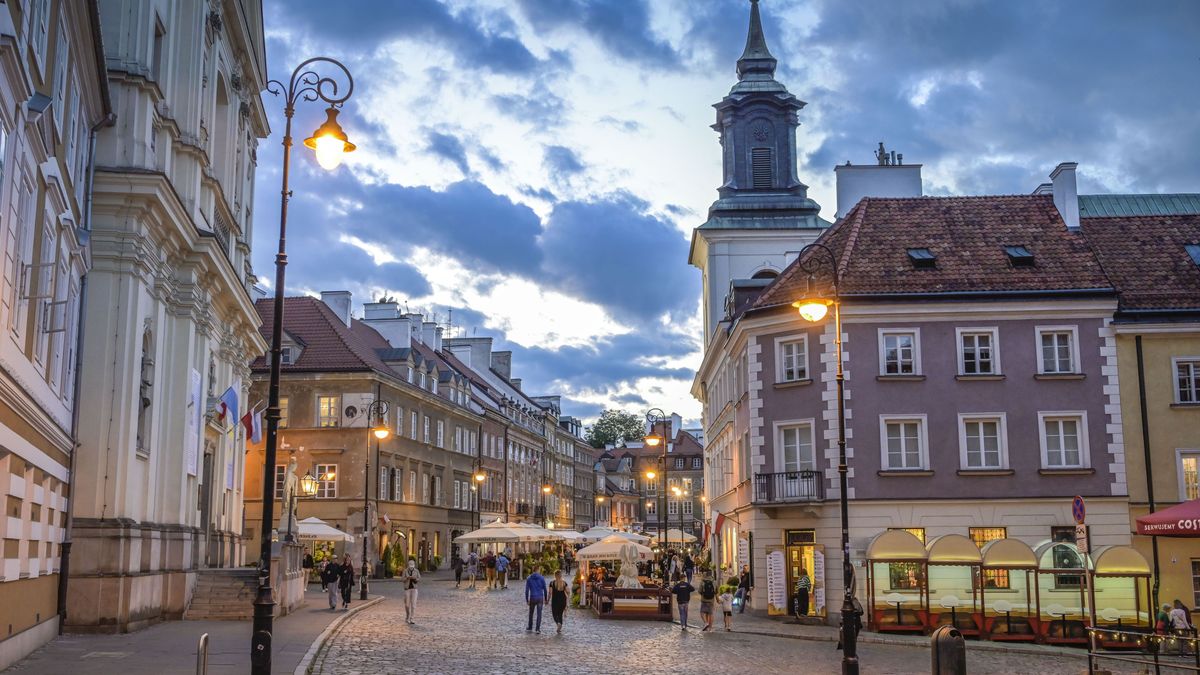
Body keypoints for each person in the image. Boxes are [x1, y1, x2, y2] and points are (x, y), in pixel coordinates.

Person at [525, 565, 548, 633]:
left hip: (532, 597)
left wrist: (527, 600)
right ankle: (537, 629)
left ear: (533, 570)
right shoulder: (541, 578)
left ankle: (530, 627)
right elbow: (545, 589)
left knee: (531, 613)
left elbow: (526, 590)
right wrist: (546, 599)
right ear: (538, 570)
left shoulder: (529, 578)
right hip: (540, 597)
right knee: (539, 613)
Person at [401, 558, 421, 624]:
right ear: (408, 565)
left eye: (412, 566)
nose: (411, 567)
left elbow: (419, 578)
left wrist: (415, 579)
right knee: (407, 605)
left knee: (413, 605)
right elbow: (402, 579)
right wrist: (407, 578)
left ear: (414, 565)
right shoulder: (405, 571)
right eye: (410, 565)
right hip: (407, 589)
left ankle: (412, 618)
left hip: (414, 589)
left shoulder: (416, 571)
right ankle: (407, 616)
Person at [549, 569, 569, 633]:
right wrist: (567, 597)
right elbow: (568, 591)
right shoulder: (564, 583)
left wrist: (548, 600)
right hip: (563, 600)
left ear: (555, 575)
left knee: (554, 614)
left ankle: (558, 623)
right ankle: (559, 627)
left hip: (555, 601)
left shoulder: (552, 583)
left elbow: (550, 593)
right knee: (560, 614)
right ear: (561, 575)